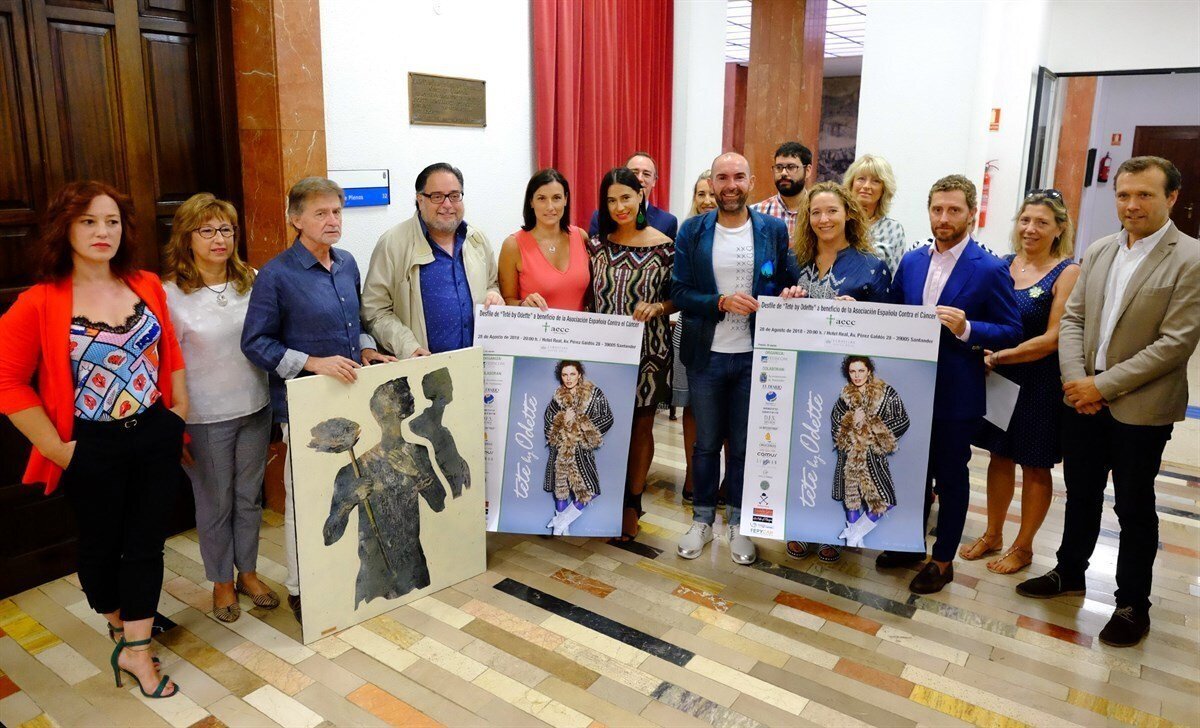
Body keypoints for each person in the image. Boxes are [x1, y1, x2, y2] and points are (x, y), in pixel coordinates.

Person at [0, 181, 188, 698]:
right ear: (64, 229)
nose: (102, 231)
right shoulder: (39, 302)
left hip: (154, 431)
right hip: (90, 444)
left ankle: (136, 649)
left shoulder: (144, 284)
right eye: (88, 221)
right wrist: (57, 449)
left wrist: (178, 413)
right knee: (102, 544)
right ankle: (118, 619)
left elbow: (169, 348)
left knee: (146, 543)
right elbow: (7, 381)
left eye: (112, 221)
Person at [1018, 156, 1200, 648]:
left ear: (1172, 198)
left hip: (1140, 407)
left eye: (1144, 195)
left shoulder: (1191, 258)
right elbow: (1073, 320)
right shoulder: (1100, 250)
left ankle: (1132, 603)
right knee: (1080, 494)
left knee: (1134, 507)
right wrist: (1077, 381)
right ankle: (1069, 571)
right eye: (1123, 194)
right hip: (1083, 399)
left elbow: (1174, 343)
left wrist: (1101, 387)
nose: (1132, 205)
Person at [241, 177, 395, 622]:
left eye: (337, 212)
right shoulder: (276, 275)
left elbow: (355, 323)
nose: (333, 221)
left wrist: (366, 348)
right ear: (296, 219)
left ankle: (342, 571)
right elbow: (255, 343)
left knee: (350, 489)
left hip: (349, 398)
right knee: (305, 498)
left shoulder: (347, 263)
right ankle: (299, 587)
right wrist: (311, 362)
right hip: (303, 406)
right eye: (321, 213)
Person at [881, 174, 1022, 594]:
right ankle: (908, 544)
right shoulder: (912, 261)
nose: (944, 218)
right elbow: (891, 313)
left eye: (954, 210)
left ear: (971, 214)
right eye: (937, 209)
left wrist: (968, 328)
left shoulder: (990, 268)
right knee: (911, 471)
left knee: (950, 476)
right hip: (909, 387)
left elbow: (1011, 330)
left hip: (956, 393)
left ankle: (942, 561)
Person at [672, 152, 795, 565]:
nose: (730, 185)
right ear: (712, 182)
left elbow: (785, 280)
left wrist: (789, 293)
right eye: (722, 177)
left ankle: (739, 524)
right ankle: (702, 520)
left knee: (742, 447)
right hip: (706, 355)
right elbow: (679, 292)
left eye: (738, 177)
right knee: (706, 444)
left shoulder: (772, 229)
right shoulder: (692, 230)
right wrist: (720, 302)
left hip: (755, 358)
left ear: (751, 181)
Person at [164, 194, 277, 622]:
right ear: (187, 237)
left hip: (255, 406)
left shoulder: (254, 280)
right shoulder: (170, 293)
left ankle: (247, 573)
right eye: (207, 230)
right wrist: (174, 425)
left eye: (226, 230)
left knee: (248, 499)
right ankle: (221, 581)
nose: (219, 239)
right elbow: (163, 363)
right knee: (216, 504)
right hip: (204, 417)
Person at [959, 191, 1080, 574]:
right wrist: (980, 349)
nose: (1031, 229)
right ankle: (993, 534)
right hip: (998, 378)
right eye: (1025, 220)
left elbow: (1054, 337)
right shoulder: (1003, 264)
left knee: (1034, 465)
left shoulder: (1067, 272)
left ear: (1059, 228)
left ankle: (1023, 547)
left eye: (1042, 222)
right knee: (999, 456)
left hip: (1039, 381)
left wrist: (1000, 356)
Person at [779, 181, 892, 562]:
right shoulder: (794, 261)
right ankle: (800, 523)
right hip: (801, 376)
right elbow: (775, 311)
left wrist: (860, 314)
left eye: (832, 211)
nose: (824, 219)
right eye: (815, 212)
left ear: (849, 214)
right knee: (802, 451)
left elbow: (890, 329)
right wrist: (786, 298)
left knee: (844, 459)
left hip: (849, 385)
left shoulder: (872, 265)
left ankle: (838, 529)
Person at [589, 167, 676, 541]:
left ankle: (632, 503)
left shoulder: (665, 246)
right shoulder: (596, 245)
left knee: (641, 427)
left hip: (649, 353)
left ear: (641, 196)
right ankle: (605, 498)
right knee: (604, 428)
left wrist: (658, 307)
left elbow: (678, 297)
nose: (619, 206)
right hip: (603, 354)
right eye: (611, 200)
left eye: (626, 197)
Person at [363, 163, 504, 358]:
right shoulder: (393, 244)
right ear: (420, 200)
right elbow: (375, 311)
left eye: (454, 196)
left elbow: (491, 284)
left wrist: (493, 294)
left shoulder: (477, 240)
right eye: (437, 196)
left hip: (477, 364)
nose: (447, 204)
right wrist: (407, 346)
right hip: (423, 367)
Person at [673, 171, 721, 504]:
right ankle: (692, 476)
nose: (706, 201)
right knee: (691, 408)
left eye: (712, 194)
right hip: (690, 330)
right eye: (700, 194)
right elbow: (679, 288)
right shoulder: (687, 232)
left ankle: (723, 483)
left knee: (726, 414)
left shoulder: (741, 233)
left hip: (730, 336)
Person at [831, 356, 910, 547]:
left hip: (873, 457)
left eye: (861, 370)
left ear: (869, 371)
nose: (857, 375)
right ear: (848, 373)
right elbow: (836, 430)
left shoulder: (886, 393)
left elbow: (903, 420)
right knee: (851, 499)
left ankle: (854, 534)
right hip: (850, 457)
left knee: (886, 500)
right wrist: (851, 422)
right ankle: (855, 541)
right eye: (852, 371)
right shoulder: (844, 397)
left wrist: (868, 424)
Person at [499, 169, 590, 311]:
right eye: (542, 198)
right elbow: (506, 301)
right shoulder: (512, 245)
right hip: (533, 325)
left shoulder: (581, 237)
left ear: (565, 199)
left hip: (579, 326)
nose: (550, 207)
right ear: (531, 202)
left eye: (556, 198)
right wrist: (523, 305)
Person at [543, 360, 614, 535]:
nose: (568, 378)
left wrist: (581, 424)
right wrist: (564, 421)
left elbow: (607, 418)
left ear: (579, 375)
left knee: (591, 489)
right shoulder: (557, 397)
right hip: (561, 450)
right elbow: (549, 424)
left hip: (581, 450)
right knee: (560, 490)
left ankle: (560, 522)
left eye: (572, 374)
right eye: (564, 375)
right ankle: (562, 530)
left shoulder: (594, 394)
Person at [588, 152, 679, 240]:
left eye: (646, 174)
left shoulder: (667, 222)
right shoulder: (599, 217)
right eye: (634, 173)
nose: (639, 178)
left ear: (654, 181)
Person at [843, 154, 907, 272]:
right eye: (861, 179)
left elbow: (896, 274)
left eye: (876, 181)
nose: (866, 186)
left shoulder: (893, 229)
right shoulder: (838, 222)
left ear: (884, 189)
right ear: (851, 184)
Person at [750, 141, 813, 237]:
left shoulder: (819, 212)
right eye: (779, 167)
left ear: (807, 170)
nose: (783, 173)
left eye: (791, 167)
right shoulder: (756, 213)